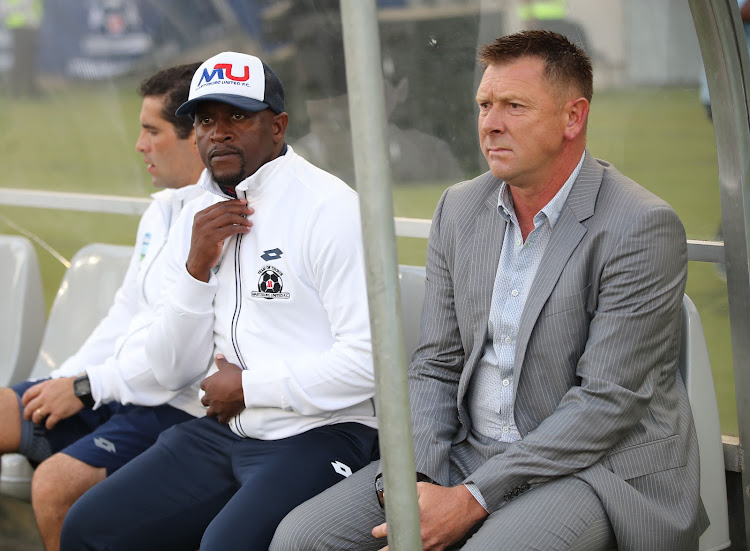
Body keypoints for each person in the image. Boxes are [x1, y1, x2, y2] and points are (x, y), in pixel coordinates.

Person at [271, 30, 709, 551]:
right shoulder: (460, 208)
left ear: (573, 118)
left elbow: (606, 404)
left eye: (514, 106)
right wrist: (417, 480)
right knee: (300, 539)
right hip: (469, 449)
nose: (490, 123)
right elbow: (436, 363)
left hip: (595, 467)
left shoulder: (640, 225)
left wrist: (473, 498)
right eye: (484, 105)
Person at [60, 51, 378, 551]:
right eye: (206, 119)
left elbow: (370, 362)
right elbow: (169, 370)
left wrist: (250, 387)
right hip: (222, 430)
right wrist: (195, 268)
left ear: (278, 126)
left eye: (238, 116)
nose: (219, 132)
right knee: (88, 528)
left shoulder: (329, 208)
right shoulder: (196, 215)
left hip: (323, 434)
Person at [0, 62, 206, 551]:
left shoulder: (222, 222)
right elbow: (126, 311)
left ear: (194, 137)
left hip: (174, 409)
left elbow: (183, 360)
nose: (139, 145)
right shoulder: (160, 210)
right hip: (114, 389)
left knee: (53, 488)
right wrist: (66, 379)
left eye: (151, 130)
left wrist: (86, 387)